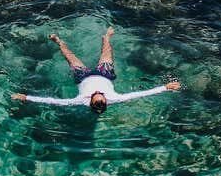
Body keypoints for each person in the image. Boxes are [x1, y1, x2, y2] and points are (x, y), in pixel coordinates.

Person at [12, 27, 180, 114]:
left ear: (91, 101)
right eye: (102, 96)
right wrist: (165, 87)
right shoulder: (114, 98)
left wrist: (26, 97)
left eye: (96, 95)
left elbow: (53, 101)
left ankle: (58, 41)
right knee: (107, 52)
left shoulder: (80, 101)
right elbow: (140, 94)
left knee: (70, 57)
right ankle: (106, 37)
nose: (99, 94)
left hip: (83, 76)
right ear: (106, 101)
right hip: (105, 75)